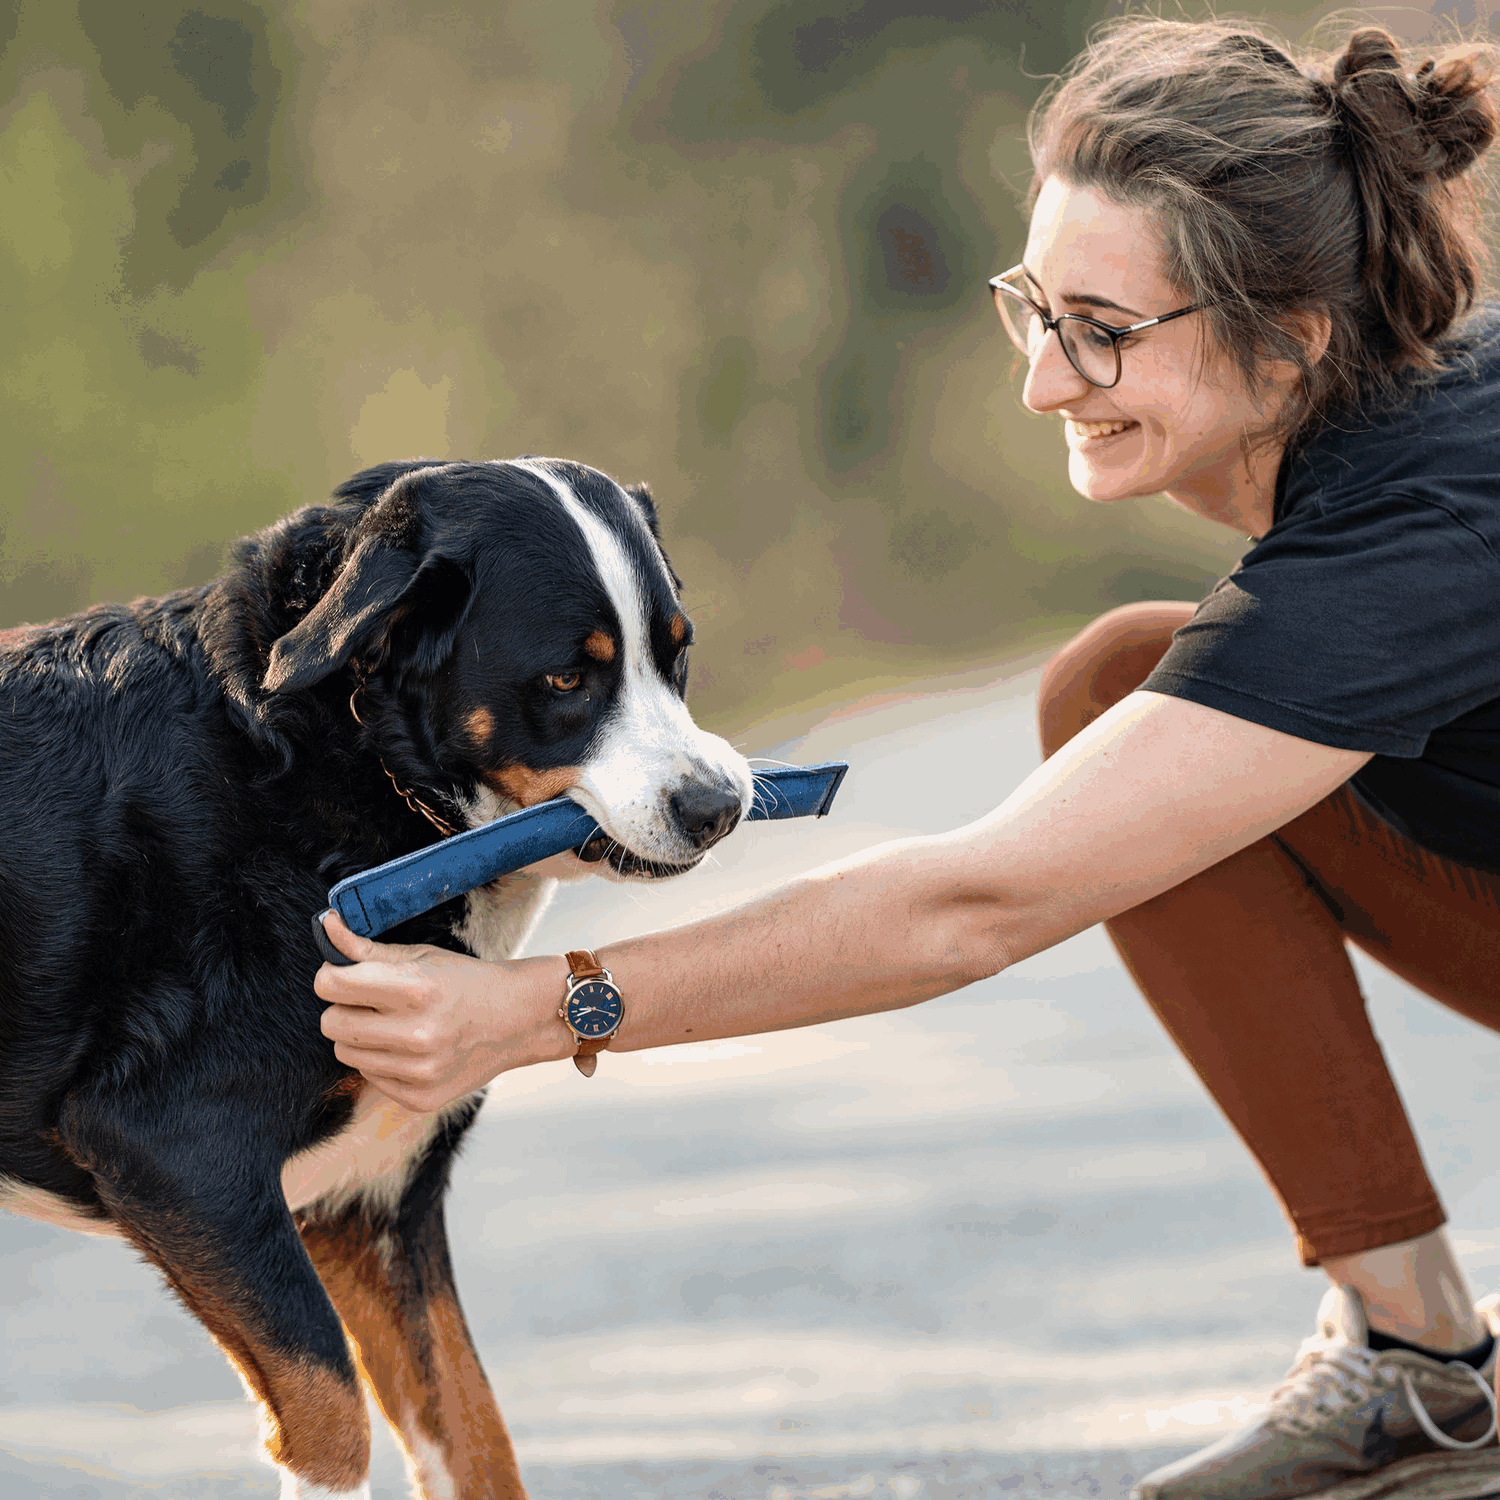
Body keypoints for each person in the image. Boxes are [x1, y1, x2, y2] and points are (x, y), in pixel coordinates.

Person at [313, 17, 1500, 1500]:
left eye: (1106, 333)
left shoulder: (1418, 539)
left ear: (1294, 336)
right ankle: (1420, 1361)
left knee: (1119, 712)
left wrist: (535, 1009)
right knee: (1121, 688)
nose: (1044, 385)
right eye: (1035, 308)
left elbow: (975, 905)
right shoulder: (1408, 443)